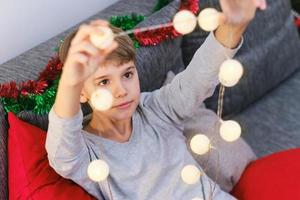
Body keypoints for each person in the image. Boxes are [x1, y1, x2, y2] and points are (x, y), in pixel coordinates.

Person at [45, 0, 267, 199]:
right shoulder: (86, 152)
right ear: (81, 92)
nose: (121, 91)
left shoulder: (154, 110)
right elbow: (62, 150)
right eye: (104, 82)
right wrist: (71, 81)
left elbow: (196, 82)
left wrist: (235, 25)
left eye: (127, 74)